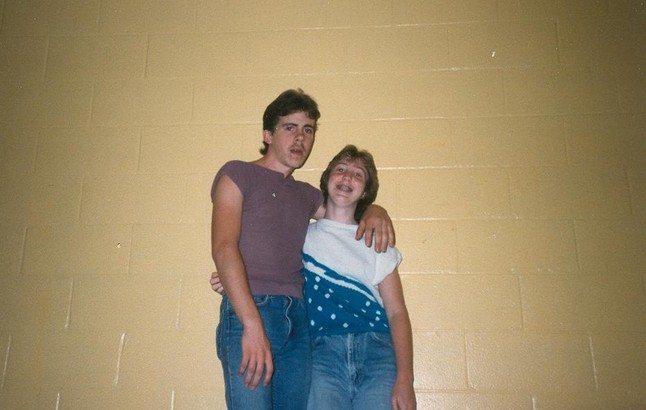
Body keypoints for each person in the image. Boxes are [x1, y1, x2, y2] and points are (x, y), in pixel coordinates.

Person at [210, 89, 395, 410]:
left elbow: (345, 208)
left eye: (308, 130)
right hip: (252, 309)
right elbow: (224, 247)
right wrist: (251, 324)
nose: (300, 138)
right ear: (267, 135)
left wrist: (377, 209)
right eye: (290, 127)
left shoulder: (305, 195)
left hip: (299, 320)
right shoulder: (238, 174)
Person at [303, 144, 415, 410]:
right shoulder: (302, 236)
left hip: (377, 351)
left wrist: (405, 379)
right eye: (341, 169)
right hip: (321, 352)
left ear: (365, 191)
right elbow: (274, 271)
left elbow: (397, 312)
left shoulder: (377, 240)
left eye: (357, 174)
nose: (347, 177)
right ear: (327, 179)